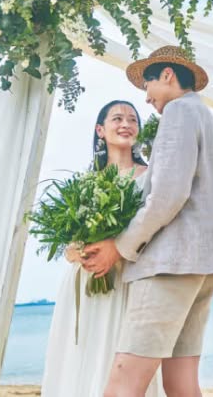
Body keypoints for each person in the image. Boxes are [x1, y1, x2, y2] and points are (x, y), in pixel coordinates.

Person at [82, 46, 213, 397]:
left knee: (123, 380)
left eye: (147, 86)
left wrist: (120, 247)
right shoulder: (205, 117)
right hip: (203, 265)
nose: (146, 99)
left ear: (167, 75)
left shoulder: (178, 112)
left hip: (169, 265)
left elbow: (166, 196)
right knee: (182, 382)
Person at [40, 100, 157, 397]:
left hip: (128, 281)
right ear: (100, 130)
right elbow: (68, 241)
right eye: (117, 118)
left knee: (122, 359)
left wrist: (116, 249)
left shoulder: (151, 177)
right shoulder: (85, 181)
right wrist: (75, 253)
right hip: (85, 281)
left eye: (133, 119)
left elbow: (156, 229)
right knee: (83, 355)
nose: (126, 124)